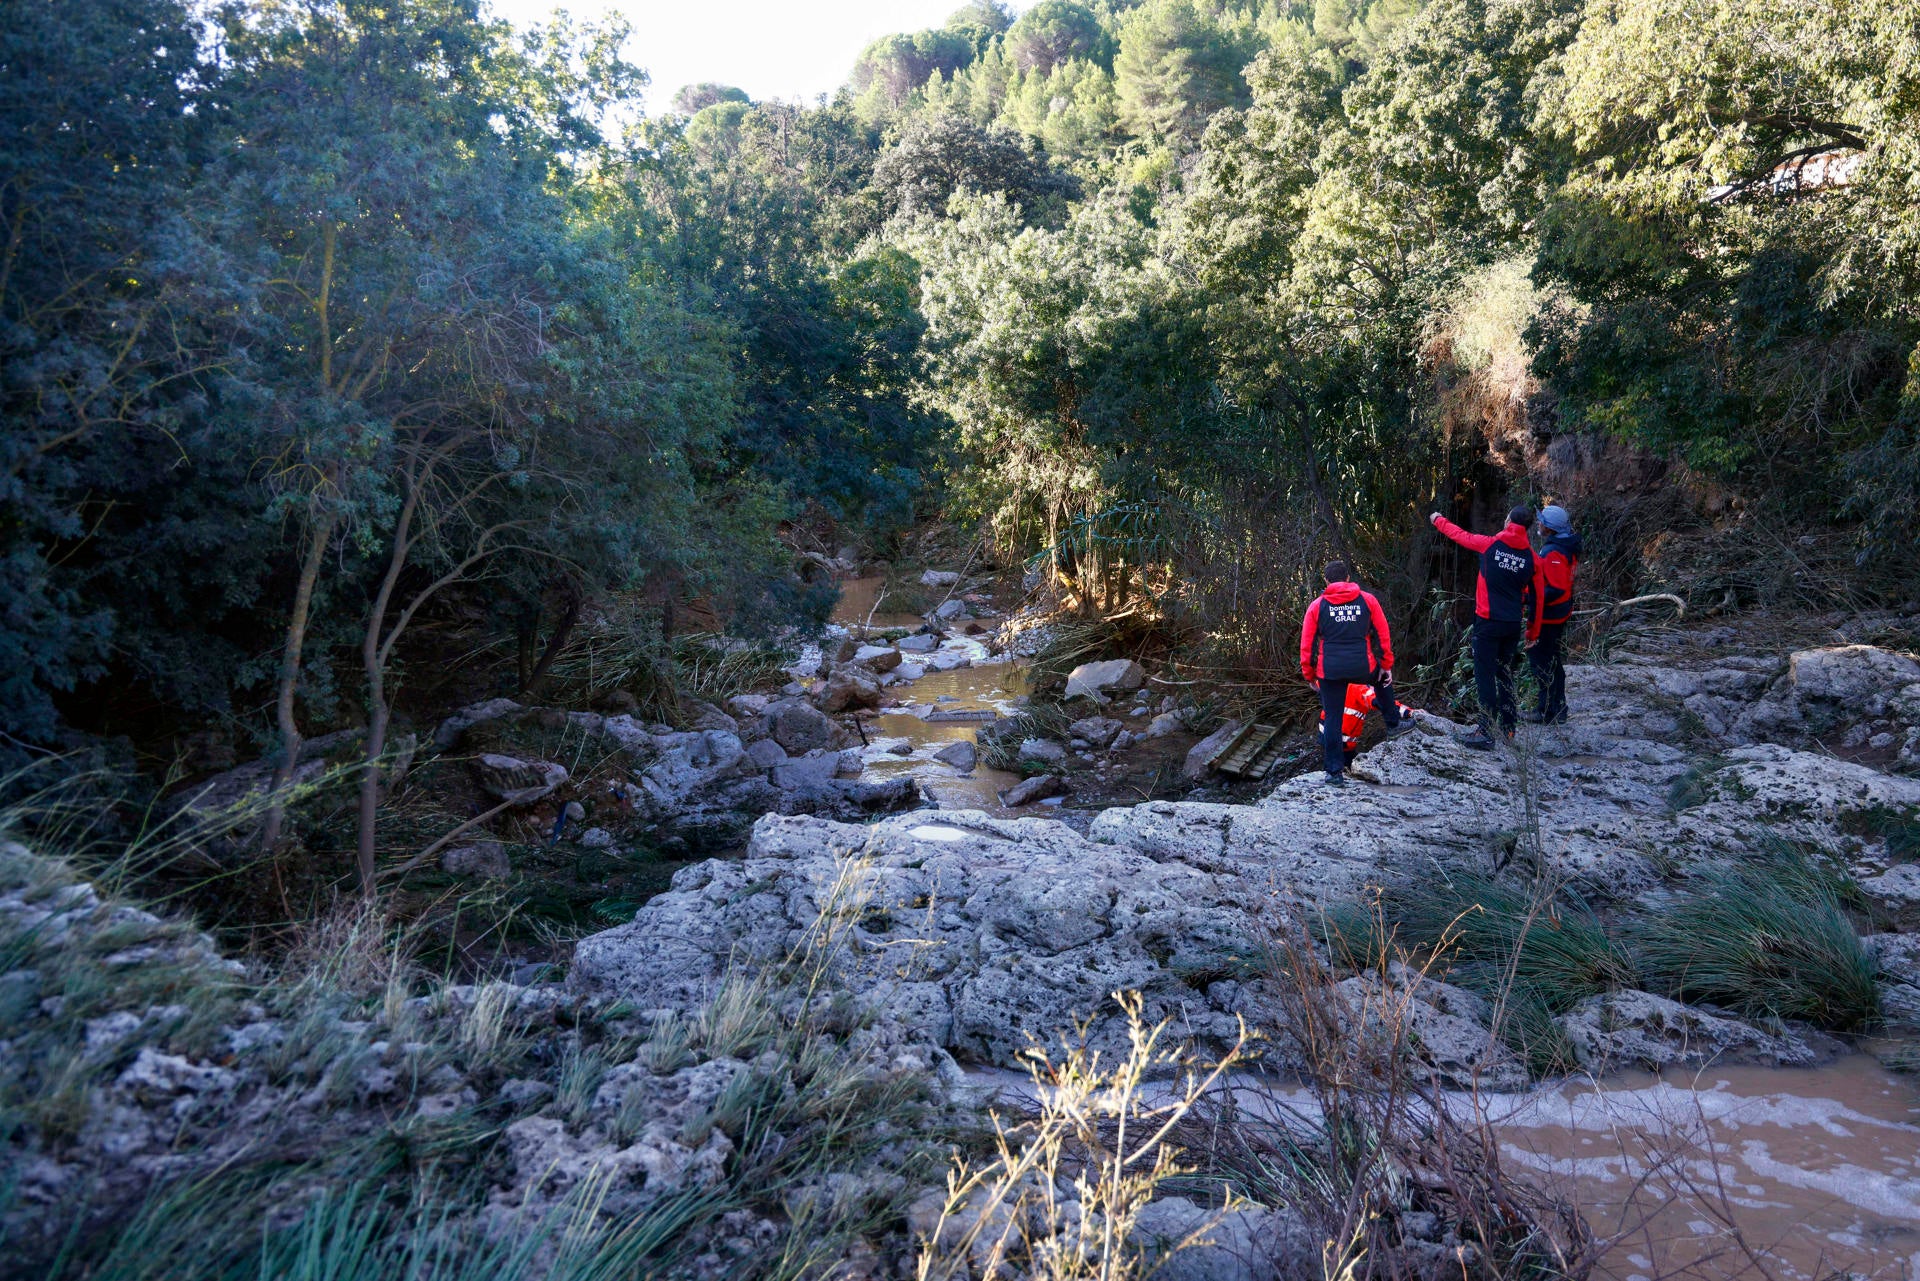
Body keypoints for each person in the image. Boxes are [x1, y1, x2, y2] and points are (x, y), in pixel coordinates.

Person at [1429, 505, 1544, 749]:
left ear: (1509, 522)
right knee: (1505, 674)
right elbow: (1538, 599)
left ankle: (1486, 731)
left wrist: (1438, 519)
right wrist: (1533, 633)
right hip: (1512, 625)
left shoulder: (1489, 545)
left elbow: (1459, 535)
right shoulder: (1533, 560)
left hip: (1487, 623)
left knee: (1484, 676)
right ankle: (1509, 728)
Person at [1299, 561, 1411, 786]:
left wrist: (1309, 675)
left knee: (1332, 717)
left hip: (1329, 671)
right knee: (1382, 678)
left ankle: (1333, 773)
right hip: (1363, 666)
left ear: (1327, 581)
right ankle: (1393, 724)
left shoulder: (1317, 606)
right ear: (1348, 578)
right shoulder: (1367, 600)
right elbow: (1383, 632)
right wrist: (1386, 663)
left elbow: (1307, 644)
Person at [1523, 505, 1581, 724]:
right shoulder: (1565, 546)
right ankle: (1558, 708)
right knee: (1553, 660)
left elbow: (1555, 587)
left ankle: (1546, 711)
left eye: (1542, 522)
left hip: (1550, 616)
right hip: (1560, 612)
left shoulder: (1554, 552)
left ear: (1549, 528)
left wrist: (1528, 597)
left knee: (1542, 662)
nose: (1539, 524)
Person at [1318, 681, 1417, 770]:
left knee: (1332, 763)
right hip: (1343, 740)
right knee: (1343, 766)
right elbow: (1382, 702)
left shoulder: (1333, 675)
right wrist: (1409, 712)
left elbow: (1318, 683)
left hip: (1326, 732)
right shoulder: (1360, 687)